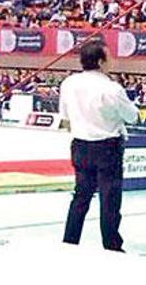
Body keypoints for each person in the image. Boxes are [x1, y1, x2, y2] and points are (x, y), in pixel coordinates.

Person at [59, 40, 138, 252]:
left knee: (81, 196)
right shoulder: (111, 88)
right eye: (109, 57)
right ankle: (111, 244)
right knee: (109, 198)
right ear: (101, 61)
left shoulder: (68, 84)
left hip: (80, 145)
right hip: (106, 147)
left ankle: (70, 240)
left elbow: (65, 118)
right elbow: (132, 117)